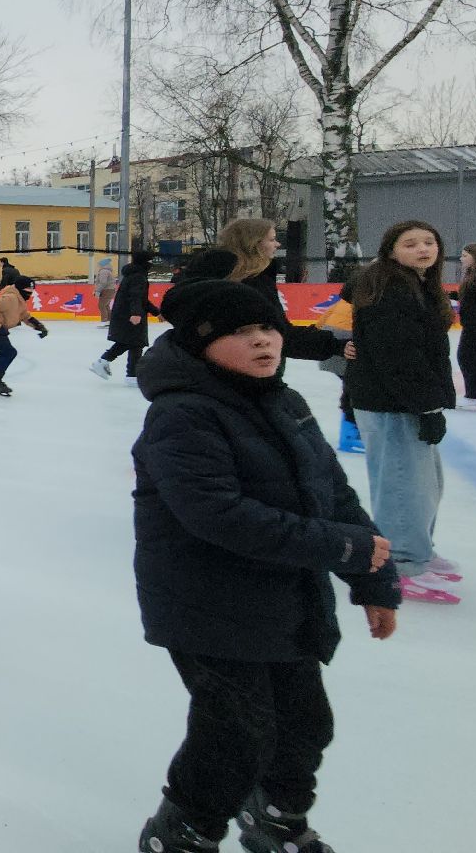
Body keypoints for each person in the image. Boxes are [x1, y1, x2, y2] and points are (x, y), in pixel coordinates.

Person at [131, 278, 400, 853]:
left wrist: (373, 578)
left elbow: (333, 493)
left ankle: (277, 819)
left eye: (268, 328)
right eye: (240, 332)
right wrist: (338, 546)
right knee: (235, 733)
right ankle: (183, 830)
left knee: (306, 724)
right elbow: (218, 515)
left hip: (283, 599)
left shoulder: (284, 401)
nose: (262, 341)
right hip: (206, 605)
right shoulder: (181, 415)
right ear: (201, 345)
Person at [346, 220, 459, 604]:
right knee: (402, 487)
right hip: (391, 404)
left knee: (425, 485)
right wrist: (427, 407)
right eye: (410, 244)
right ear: (391, 251)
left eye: (429, 242)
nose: (423, 249)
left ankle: (417, 549)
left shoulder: (416, 284)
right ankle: (400, 564)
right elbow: (399, 357)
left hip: (402, 401)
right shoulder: (391, 290)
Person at [215, 218, 339, 362]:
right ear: (254, 244)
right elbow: (280, 335)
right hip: (243, 367)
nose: (278, 244)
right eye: (272, 239)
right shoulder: (253, 285)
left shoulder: (223, 277)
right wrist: (335, 345)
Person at [0, 273, 45, 397]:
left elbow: (25, 316)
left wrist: (39, 326)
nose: (29, 294)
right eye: (28, 291)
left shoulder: (19, 300)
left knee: (5, 354)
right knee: (8, 353)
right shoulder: (11, 298)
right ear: (20, 289)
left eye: (31, 291)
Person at [92, 252, 158, 381]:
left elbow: (141, 299)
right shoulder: (138, 276)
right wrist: (136, 313)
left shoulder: (134, 274)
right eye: (150, 261)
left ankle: (132, 375)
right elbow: (135, 296)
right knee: (129, 341)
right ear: (145, 263)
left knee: (134, 343)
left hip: (126, 314)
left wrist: (156, 312)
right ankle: (104, 361)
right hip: (129, 315)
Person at [459, 243, 476, 407]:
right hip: (472, 330)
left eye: (465, 256)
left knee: (472, 362)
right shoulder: (472, 278)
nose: (461, 259)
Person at [92, 257, 117, 324]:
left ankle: (104, 321)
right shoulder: (108, 271)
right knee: (106, 305)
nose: (98, 266)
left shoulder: (104, 271)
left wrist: (97, 291)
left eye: (99, 265)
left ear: (103, 265)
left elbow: (103, 282)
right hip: (110, 290)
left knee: (102, 305)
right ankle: (109, 321)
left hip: (107, 290)